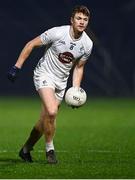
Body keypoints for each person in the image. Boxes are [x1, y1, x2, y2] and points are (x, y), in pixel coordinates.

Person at [7, 5, 93, 164]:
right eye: (78, 18)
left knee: (45, 119)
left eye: (85, 19)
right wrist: (16, 66)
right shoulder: (58, 32)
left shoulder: (87, 44)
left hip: (61, 82)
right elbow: (31, 44)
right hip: (44, 74)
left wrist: (74, 89)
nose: (81, 22)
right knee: (52, 112)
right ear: (72, 20)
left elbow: (79, 67)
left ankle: (25, 150)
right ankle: (50, 150)